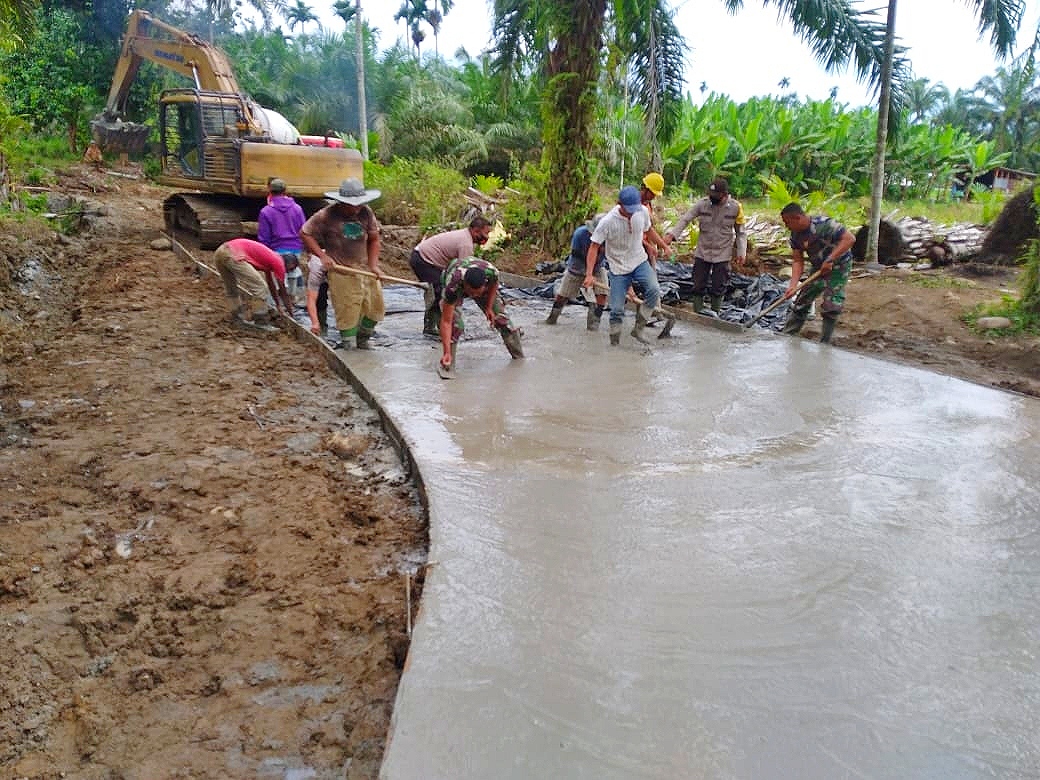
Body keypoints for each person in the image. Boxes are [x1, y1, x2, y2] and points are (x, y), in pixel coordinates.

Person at [300, 178, 384, 350]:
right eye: (352, 205)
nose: (356, 208)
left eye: (359, 204)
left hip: (364, 269)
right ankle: (349, 345)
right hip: (341, 271)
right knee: (348, 312)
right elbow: (304, 233)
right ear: (341, 202)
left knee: (375, 308)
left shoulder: (366, 212)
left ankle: (363, 340)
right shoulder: (326, 215)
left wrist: (374, 265)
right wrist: (322, 257)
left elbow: (374, 239)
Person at [585, 186, 674, 346]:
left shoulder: (642, 211)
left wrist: (664, 246)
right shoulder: (607, 222)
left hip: (638, 260)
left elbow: (649, 230)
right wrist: (589, 274)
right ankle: (615, 344)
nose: (632, 213)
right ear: (620, 204)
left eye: (635, 209)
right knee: (617, 310)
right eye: (629, 210)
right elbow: (594, 247)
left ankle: (639, 328)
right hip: (618, 268)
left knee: (653, 290)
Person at [664, 176, 747, 314]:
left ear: (725, 195)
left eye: (716, 195)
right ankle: (698, 312)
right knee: (698, 284)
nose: (712, 197)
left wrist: (741, 252)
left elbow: (741, 233)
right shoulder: (702, 204)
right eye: (710, 194)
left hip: (722, 253)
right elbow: (686, 219)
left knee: (718, 285)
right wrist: (672, 234)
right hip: (703, 251)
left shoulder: (736, 208)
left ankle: (715, 313)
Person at [778, 202, 856, 344]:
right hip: (819, 267)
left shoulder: (825, 225)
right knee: (802, 300)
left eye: (787, 222)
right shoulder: (795, 236)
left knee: (831, 304)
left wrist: (831, 259)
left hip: (839, 266)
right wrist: (793, 285)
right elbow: (798, 261)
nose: (786, 226)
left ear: (797, 218)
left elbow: (850, 239)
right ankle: (788, 335)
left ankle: (824, 344)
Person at [438, 257, 523, 377]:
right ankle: (448, 363)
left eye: (478, 293)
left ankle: (519, 357)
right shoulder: (453, 287)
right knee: (455, 325)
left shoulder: (491, 273)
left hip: (479, 279)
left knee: (502, 319)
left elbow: (494, 284)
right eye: (472, 294)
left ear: (485, 284)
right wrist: (446, 351)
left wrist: (488, 307)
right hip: (451, 274)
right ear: (465, 286)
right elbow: (446, 321)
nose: (474, 297)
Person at [409, 217, 493, 336]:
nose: (487, 237)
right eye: (486, 233)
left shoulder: (465, 236)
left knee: (440, 291)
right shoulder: (465, 244)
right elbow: (464, 274)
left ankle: (434, 326)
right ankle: (442, 328)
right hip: (423, 260)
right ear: (475, 231)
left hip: (427, 258)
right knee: (441, 293)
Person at [213, 237, 293, 329]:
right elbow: (283, 293)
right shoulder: (279, 263)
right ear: (290, 263)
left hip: (221, 251)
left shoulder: (271, 259)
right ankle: (261, 321)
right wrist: (291, 314)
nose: (289, 272)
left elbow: (272, 285)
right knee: (260, 288)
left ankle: (237, 319)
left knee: (231, 289)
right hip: (233, 254)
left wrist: (278, 305)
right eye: (291, 269)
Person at [545, 214, 608, 330]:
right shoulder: (580, 234)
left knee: (602, 295)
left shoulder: (609, 238)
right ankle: (552, 318)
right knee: (563, 295)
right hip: (577, 267)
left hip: (598, 267)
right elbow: (576, 256)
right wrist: (587, 275)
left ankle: (593, 326)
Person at [257, 177, 306, 307]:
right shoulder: (297, 209)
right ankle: (293, 299)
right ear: (285, 191)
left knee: (278, 277)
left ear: (270, 191)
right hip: (296, 249)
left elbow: (264, 237)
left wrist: (264, 253)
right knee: (293, 273)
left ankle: (279, 305)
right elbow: (304, 229)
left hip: (276, 249)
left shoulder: (266, 211)